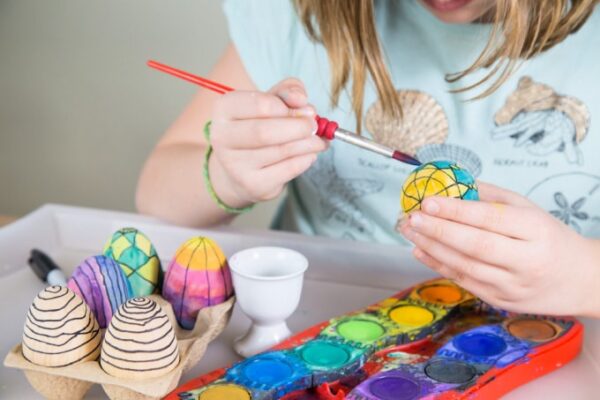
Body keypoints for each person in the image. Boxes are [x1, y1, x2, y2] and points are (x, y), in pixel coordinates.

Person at [137, 0, 600, 318]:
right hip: (313, 318)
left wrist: (580, 275)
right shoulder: (302, 14)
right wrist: (227, 174)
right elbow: (158, 196)